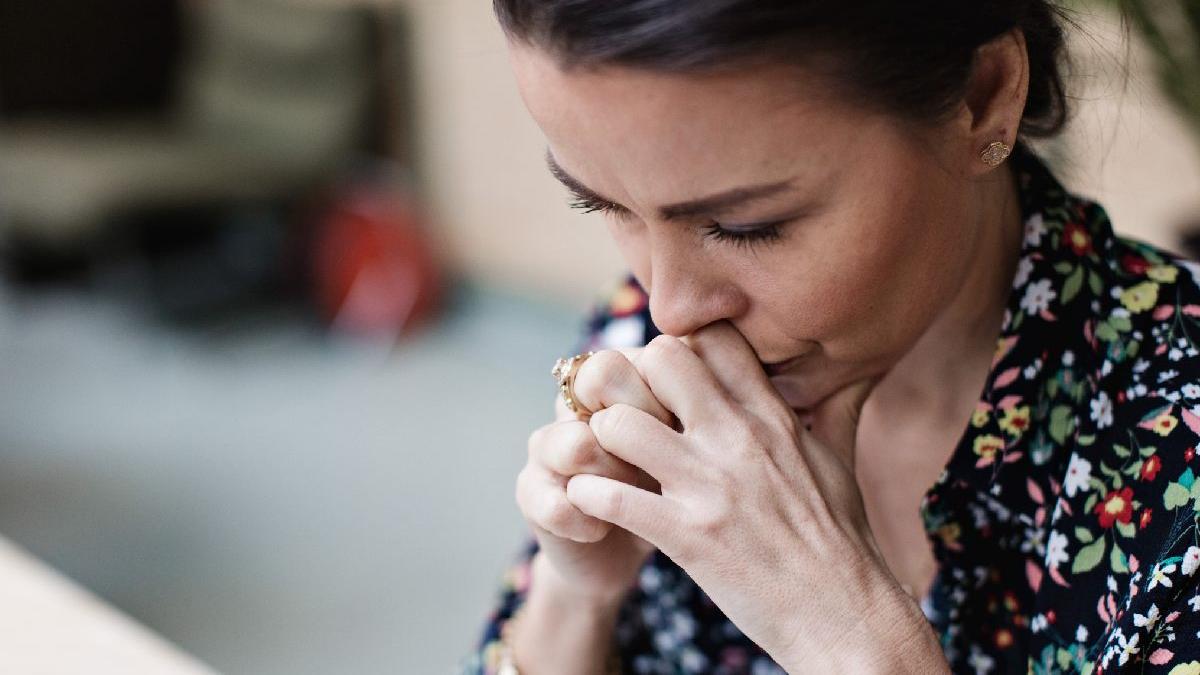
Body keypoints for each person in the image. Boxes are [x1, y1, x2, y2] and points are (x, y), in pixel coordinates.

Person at [460, 1, 1200, 673]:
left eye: (747, 227)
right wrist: (575, 599)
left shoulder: (1179, 452)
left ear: (983, 96)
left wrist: (851, 636)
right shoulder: (638, 333)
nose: (671, 308)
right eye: (603, 204)